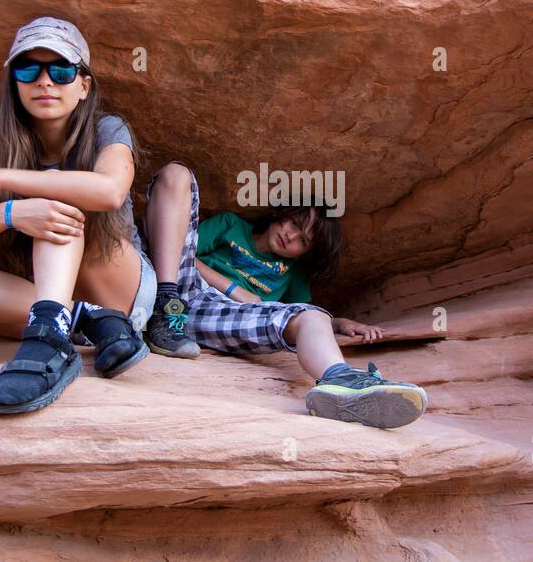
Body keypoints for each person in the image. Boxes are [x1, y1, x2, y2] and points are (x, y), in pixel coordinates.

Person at [0, 16, 153, 414]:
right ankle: (77, 320)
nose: (44, 81)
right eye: (28, 69)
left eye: (61, 70)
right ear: (14, 84)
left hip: (121, 289)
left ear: (84, 85)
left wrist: (5, 179)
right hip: (52, 303)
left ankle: (56, 335)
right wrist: (12, 212)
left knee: (56, 208)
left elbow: (108, 192)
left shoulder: (108, 129)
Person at [141, 162, 428, 429]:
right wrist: (233, 289)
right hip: (180, 288)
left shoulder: (292, 274)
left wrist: (339, 322)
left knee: (313, 317)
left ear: (306, 254)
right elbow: (178, 248)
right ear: (282, 213)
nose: (290, 237)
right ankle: (165, 308)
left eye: (303, 241)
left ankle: (342, 384)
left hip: (226, 317)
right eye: (294, 224)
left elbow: (300, 312)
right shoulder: (231, 225)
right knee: (177, 173)